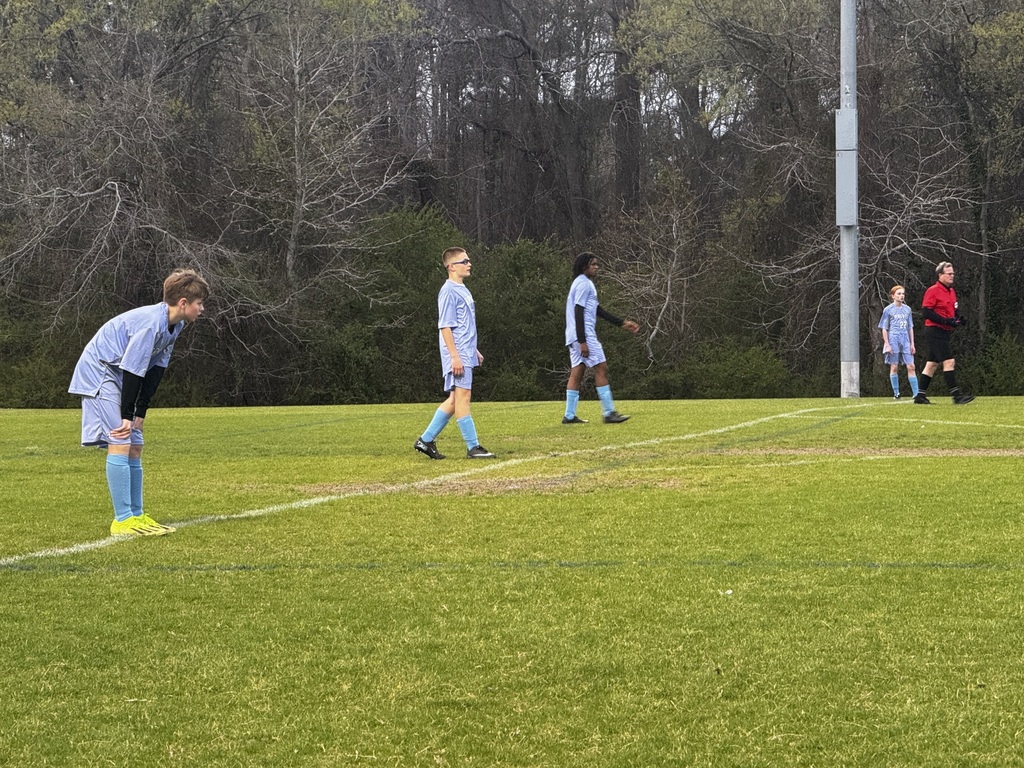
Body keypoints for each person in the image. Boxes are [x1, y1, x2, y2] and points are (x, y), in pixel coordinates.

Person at [69, 268, 210, 536]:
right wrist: (126, 415)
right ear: (183, 303)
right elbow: (133, 370)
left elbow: (155, 370)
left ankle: (137, 514)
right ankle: (122, 520)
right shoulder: (150, 324)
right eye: (199, 303)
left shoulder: (175, 325)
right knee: (121, 438)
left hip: (119, 374)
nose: (202, 309)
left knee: (135, 442)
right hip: (101, 371)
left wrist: (140, 412)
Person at [414, 247, 496, 460]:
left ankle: (425, 440)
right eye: (464, 261)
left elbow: (464, 324)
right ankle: (473, 447)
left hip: (465, 350)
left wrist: (473, 349)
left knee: (453, 400)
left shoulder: (463, 289)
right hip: (457, 352)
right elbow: (445, 326)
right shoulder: (448, 290)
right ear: (451, 266)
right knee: (463, 397)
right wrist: (455, 356)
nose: (469, 264)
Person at [562, 252, 640, 424]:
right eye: (593, 264)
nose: (597, 267)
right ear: (584, 266)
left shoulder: (580, 283)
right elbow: (578, 311)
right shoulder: (584, 284)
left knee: (577, 372)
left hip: (573, 335)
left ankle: (569, 415)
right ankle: (609, 412)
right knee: (601, 368)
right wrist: (583, 341)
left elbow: (598, 310)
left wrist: (621, 323)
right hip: (583, 335)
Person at [914, 261, 975, 405]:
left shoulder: (951, 291)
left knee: (932, 364)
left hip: (944, 331)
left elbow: (953, 309)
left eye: (953, 273)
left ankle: (920, 396)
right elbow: (926, 312)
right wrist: (946, 321)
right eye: (949, 274)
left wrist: (958, 319)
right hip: (934, 330)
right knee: (949, 361)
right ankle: (956, 396)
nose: (952, 276)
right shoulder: (933, 290)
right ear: (940, 275)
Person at [877, 285, 918, 400]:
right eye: (899, 294)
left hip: (905, 339)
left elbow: (910, 327)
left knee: (911, 366)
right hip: (893, 339)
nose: (901, 296)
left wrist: (912, 343)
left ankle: (916, 393)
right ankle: (896, 393)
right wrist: (887, 344)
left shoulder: (907, 309)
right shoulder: (888, 310)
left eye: (903, 293)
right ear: (893, 296)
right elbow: (884, 328)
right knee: (894, 366)